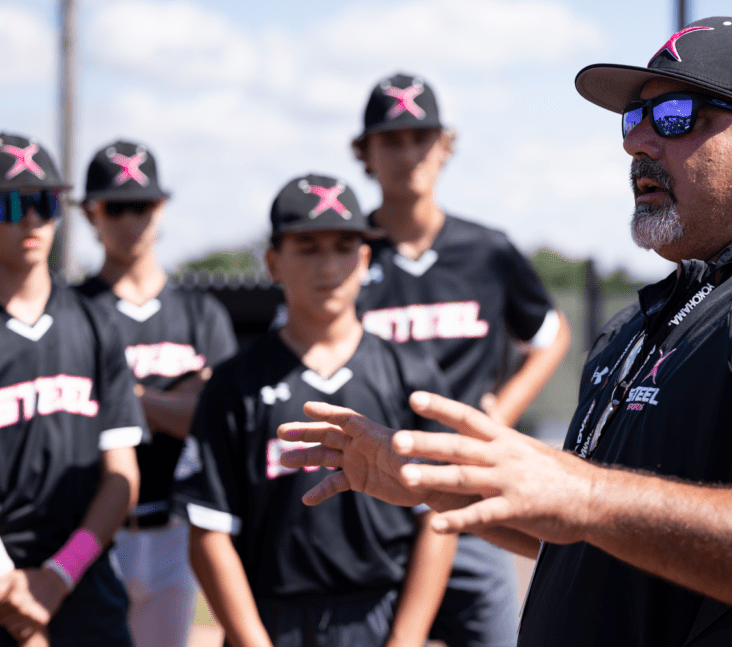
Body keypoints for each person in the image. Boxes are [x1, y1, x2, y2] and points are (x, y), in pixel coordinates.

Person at [278, 17, 732, 647]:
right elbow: (596, 529)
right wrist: (436, 476)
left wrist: (589, 494)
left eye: (679, 117)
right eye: (635, 118)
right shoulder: (643, 322)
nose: (637, 142)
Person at [173, 175, 456, 647]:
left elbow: (439, 517)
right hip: (268, 622)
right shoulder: (235, 382)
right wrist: (252, 640)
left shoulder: (413, 374)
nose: (329, 266)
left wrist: (405, 639)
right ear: (272, 263)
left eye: (344, 247)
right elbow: (208, 528)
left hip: (380, 617)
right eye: (307, 247)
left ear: (365, 259)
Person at [352, 73, 571, 647]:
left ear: (445, 146)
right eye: (391, 139)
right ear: (364, 153)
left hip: (469, 493)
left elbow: (551, 334)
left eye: (421, 137)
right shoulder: (341, 255)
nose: (408, 153)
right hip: (373, 495)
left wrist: (498, 413)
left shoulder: (487, 250)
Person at [75, 140, 237, 647]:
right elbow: (71, 423)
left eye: (141, 205)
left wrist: (123, 399)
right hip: (93, 531)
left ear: (161, 208)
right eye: (115, 206)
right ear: (90, 212)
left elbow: (216, 422)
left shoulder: (199, 312)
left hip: (174, 531)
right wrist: (172, 399)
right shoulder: (72, 311)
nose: (130, 220)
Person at [0, 133, 145, 645]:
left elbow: (122, 475)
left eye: (45, 201)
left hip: (82, 580)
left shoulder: (94, 322)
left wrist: (58, 578)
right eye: (11, 202)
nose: (32, 218)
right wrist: (11, 588)